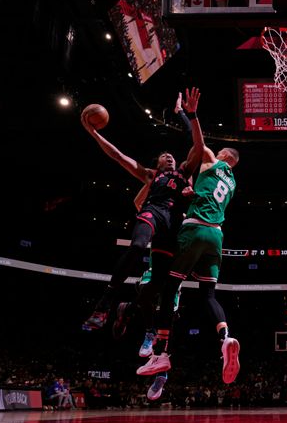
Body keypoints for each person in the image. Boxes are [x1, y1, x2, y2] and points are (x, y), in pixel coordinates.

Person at [82, 89, 205, 335]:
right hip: (153, 212)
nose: (169, 157)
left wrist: (192, 116)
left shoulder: (185, 172)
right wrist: (94, 133)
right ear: (157, 163)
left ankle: (128, 310)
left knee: (157, 283)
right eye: (164, 156)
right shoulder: (151, 175)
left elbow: (199, 146)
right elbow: (118, 156)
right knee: (137, 246)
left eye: (171, 156)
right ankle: (104, 303)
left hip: (172, 224)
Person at [135, 123, 241, 392]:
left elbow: (198, 142)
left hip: (193, 229)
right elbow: (205, 195)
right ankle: (225, 338)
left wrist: (188, 114)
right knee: (208, 295)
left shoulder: (210, 161)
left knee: (168, 288)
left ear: (224, 156)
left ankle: (159, 352)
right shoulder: (231, 182)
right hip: (216, 236)